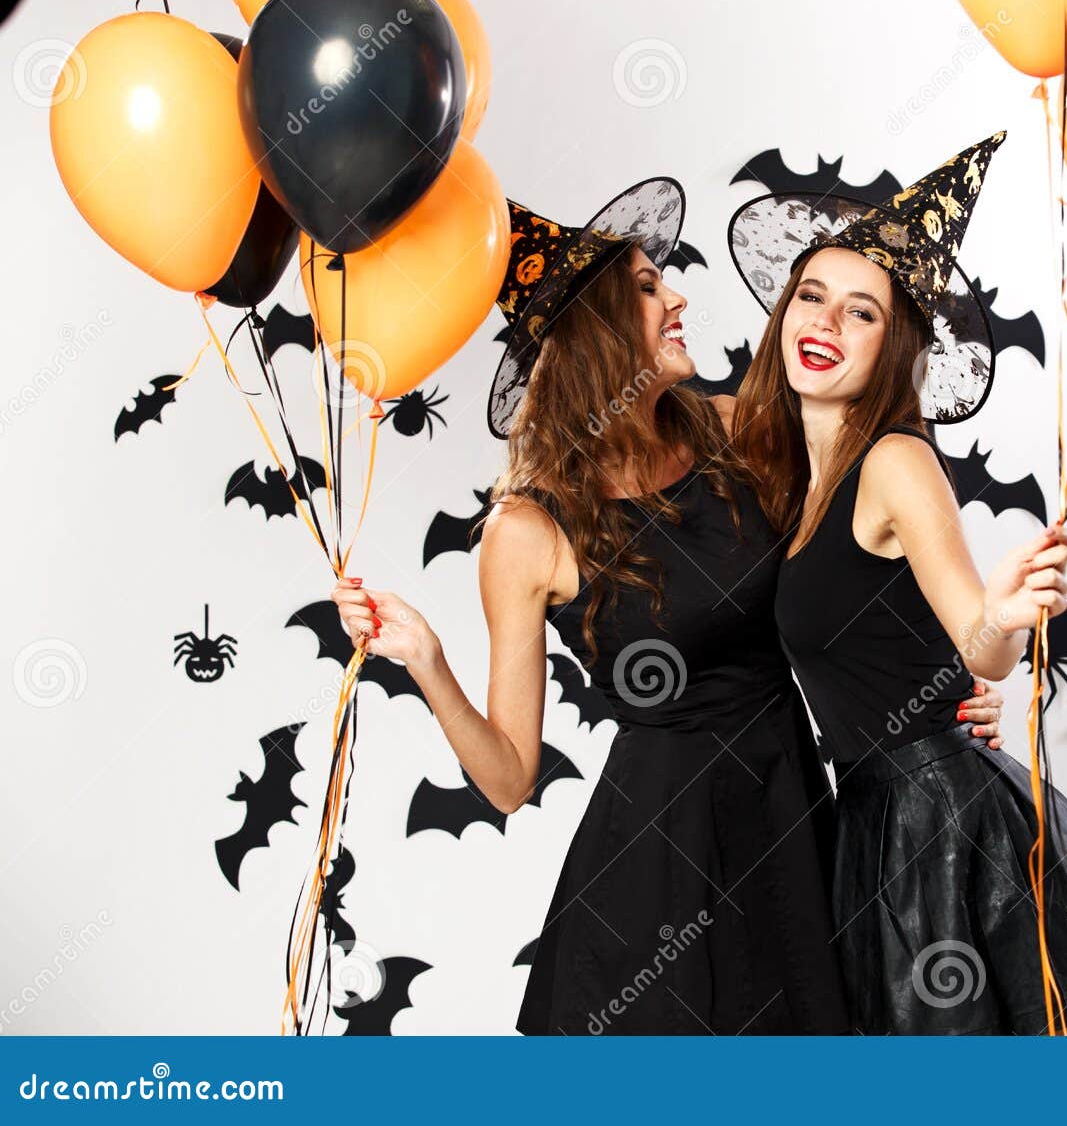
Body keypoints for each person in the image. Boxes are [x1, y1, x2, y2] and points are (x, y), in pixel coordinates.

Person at [327, 178, 1007, 1034]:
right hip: (657, 860)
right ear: (596, 334)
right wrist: (428, 660)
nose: (678, 295)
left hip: (793, 819)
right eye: (648, 288)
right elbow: (508, 778)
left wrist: (948, 685)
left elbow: (864, 535)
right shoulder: (526, 530)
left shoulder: (731, 430)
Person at [725, 131, 1067, 1034]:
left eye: (861, 313)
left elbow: (978, 641)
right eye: (812, 297)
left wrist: (999, 616)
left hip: (945, 818)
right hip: (869, 819)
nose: (826, 325)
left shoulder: (893, 461)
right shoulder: (792, 476)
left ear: (893, 348)